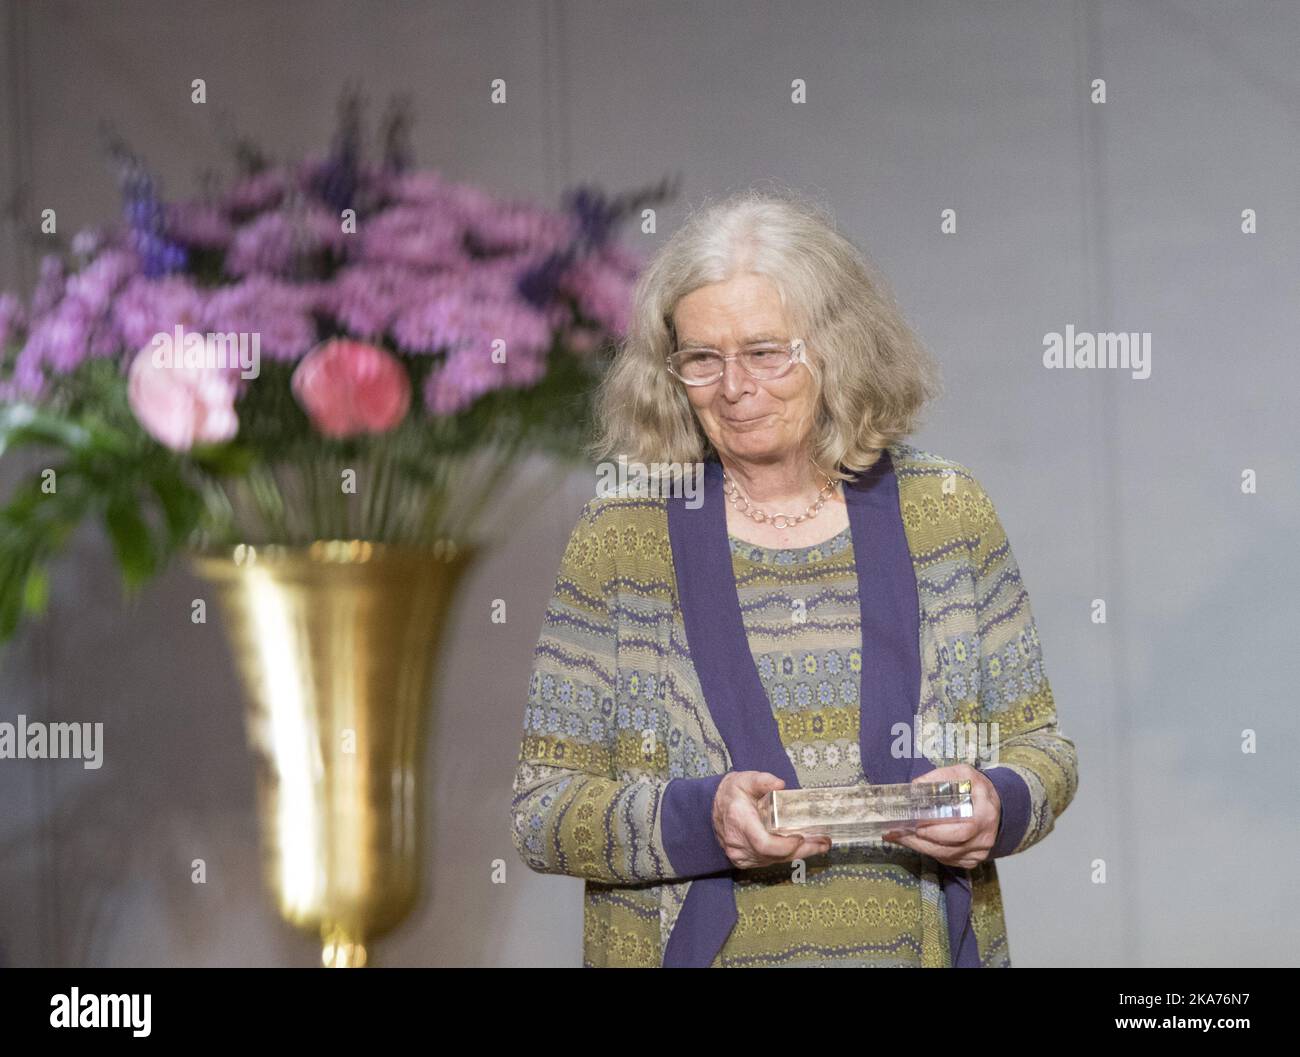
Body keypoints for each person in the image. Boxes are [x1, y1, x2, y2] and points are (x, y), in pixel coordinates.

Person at [510, 188, 1078, 967]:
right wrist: (701, 817)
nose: (735, 387)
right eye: (702, 358)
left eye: (766, 350)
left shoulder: (946, 511)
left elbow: (1041, 748)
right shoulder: (622, 541)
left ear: (836, 347)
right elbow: (542, 810)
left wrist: (997, 804)